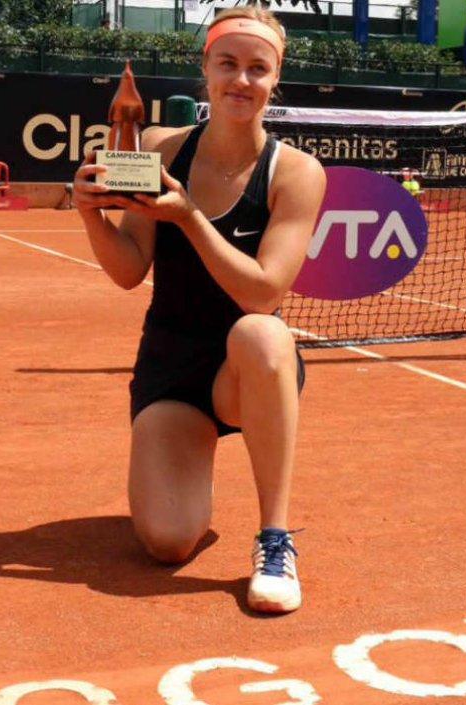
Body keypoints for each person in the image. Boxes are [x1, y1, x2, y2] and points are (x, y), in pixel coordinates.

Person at [72, 7, 326, 615]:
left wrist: (187, 216)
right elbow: (130, 269)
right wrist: (89, 213)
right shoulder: (159, 148)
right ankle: (188, 467)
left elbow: (262, 293)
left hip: (248, 373)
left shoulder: (296, 173)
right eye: (229, 64)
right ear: (206, 71)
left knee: (263, 333)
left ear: (275, 78)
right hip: (174, 374)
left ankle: (275, 538)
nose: (242, 80)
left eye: (258, 68)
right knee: (166, 541)